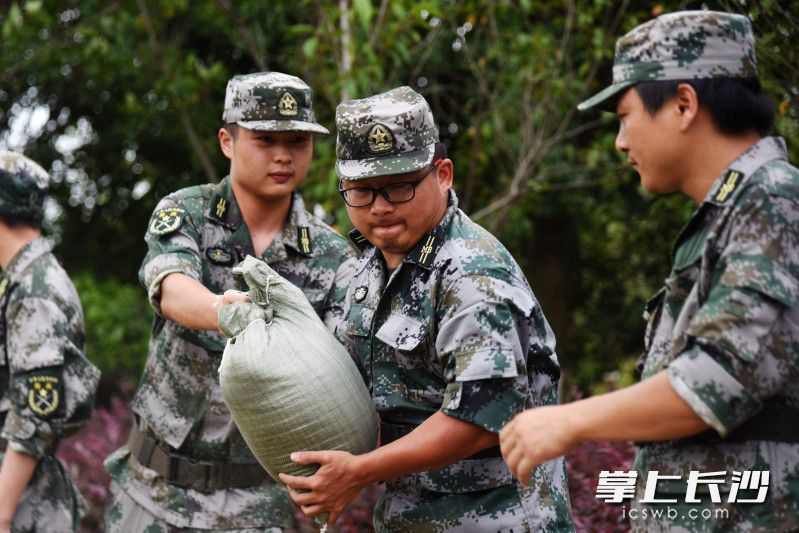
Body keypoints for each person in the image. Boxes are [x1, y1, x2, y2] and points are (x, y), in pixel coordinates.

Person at [500, 10, 799, 532]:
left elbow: (717, 379)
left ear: (683, 104)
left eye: (624, 115)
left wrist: (569, 420)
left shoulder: (773, 198)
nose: (619, 142)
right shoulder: (733, 212)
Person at [279, 86, 574, 532]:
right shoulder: (369, 270)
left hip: (500, 519)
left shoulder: (472, 271)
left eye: (398, 186)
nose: (379, 207)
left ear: (443, 174)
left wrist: (358, 471)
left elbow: (480, 417)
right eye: (361, 191)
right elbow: (346, 382)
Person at [103, 72, 356, 532]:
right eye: (264, 139)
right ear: (227, 141)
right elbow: (170, 284)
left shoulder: (333, 255)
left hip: (258, 510)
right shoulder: (187, 213)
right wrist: (227, 312)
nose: (282, 154)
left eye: (298, 140)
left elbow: (343, 365)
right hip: (154, 493)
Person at [0, 151, 100, 532]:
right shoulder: (21, 279)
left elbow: (36, 413)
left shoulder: (36, 289)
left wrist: (2, 514)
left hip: (25, 501)